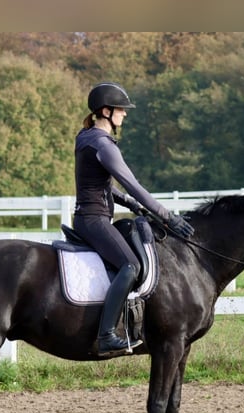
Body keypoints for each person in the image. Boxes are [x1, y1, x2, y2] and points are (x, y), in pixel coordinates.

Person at [73, 82, 195, 357]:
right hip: (94, 219)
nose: (125, 114)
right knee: (129, 265)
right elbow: (135, 186)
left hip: (91, 215)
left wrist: (130, 205)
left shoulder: (87, 136)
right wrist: (167, 218)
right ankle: (107, 335)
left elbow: (102, 186)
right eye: (121, 110)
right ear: (106, 111)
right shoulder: (103, 145)